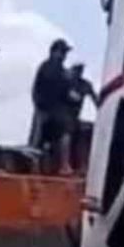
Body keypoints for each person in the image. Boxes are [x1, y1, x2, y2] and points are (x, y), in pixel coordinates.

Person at [31, 38, 73, 175]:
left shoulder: (53, 68)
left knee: (46, 140)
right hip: (51, 109)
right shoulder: (53, 69)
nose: (65, 55)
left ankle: (48, 166)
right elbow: (39, 90)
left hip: (49, 109)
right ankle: (62, 165)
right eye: (63, 52)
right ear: (55, 52)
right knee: (62, 134)